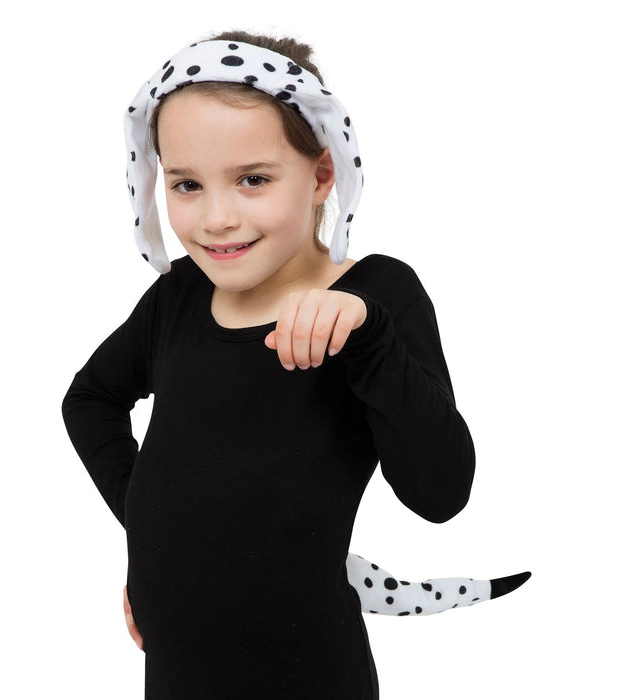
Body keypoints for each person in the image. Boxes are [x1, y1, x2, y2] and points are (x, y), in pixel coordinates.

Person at [61, 30, 528, 699]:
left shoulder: (377, 296)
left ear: (322, 174)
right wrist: (152, 534)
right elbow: (90, 399)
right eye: (187, 184)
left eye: (252, 180)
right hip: (176, 673)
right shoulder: (179, 295)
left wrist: (369, 337)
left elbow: (441, 493)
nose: (216, 218)